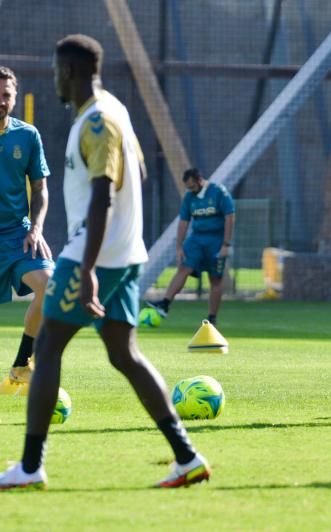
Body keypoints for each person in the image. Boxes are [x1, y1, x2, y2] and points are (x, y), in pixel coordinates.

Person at [0, 34, 209, 490]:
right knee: (124, 354)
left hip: (96, 257)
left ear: (70, 72)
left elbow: (101, 198)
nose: (53, 79)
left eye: (56, 72)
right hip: (124, 253)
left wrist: (89, 268)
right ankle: (187, 457)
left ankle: (30, 466)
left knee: (49, 345)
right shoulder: (113, 110)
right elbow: (138, 173)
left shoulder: (96, 121)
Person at [0, 66, 54, 390]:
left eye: (6, 95)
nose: (1, 101)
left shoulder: (28, 135)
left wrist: (36, 229)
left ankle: (22, 363)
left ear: (15, 98)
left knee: (52, 286)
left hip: (18, 233)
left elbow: (40, 189)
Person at [146, 168, 234, 327]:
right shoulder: (189, 197)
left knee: (215, 279)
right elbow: (183, 221)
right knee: (183, 267)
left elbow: (229, 216)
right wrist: (179, 247)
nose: (190, 190)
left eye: (192, 186)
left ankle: (212, 318)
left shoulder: (219, 192)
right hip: (197, 239)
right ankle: (165, 304)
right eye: (188, 187)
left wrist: (226, 244)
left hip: (216, 240)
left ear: (200, 181)